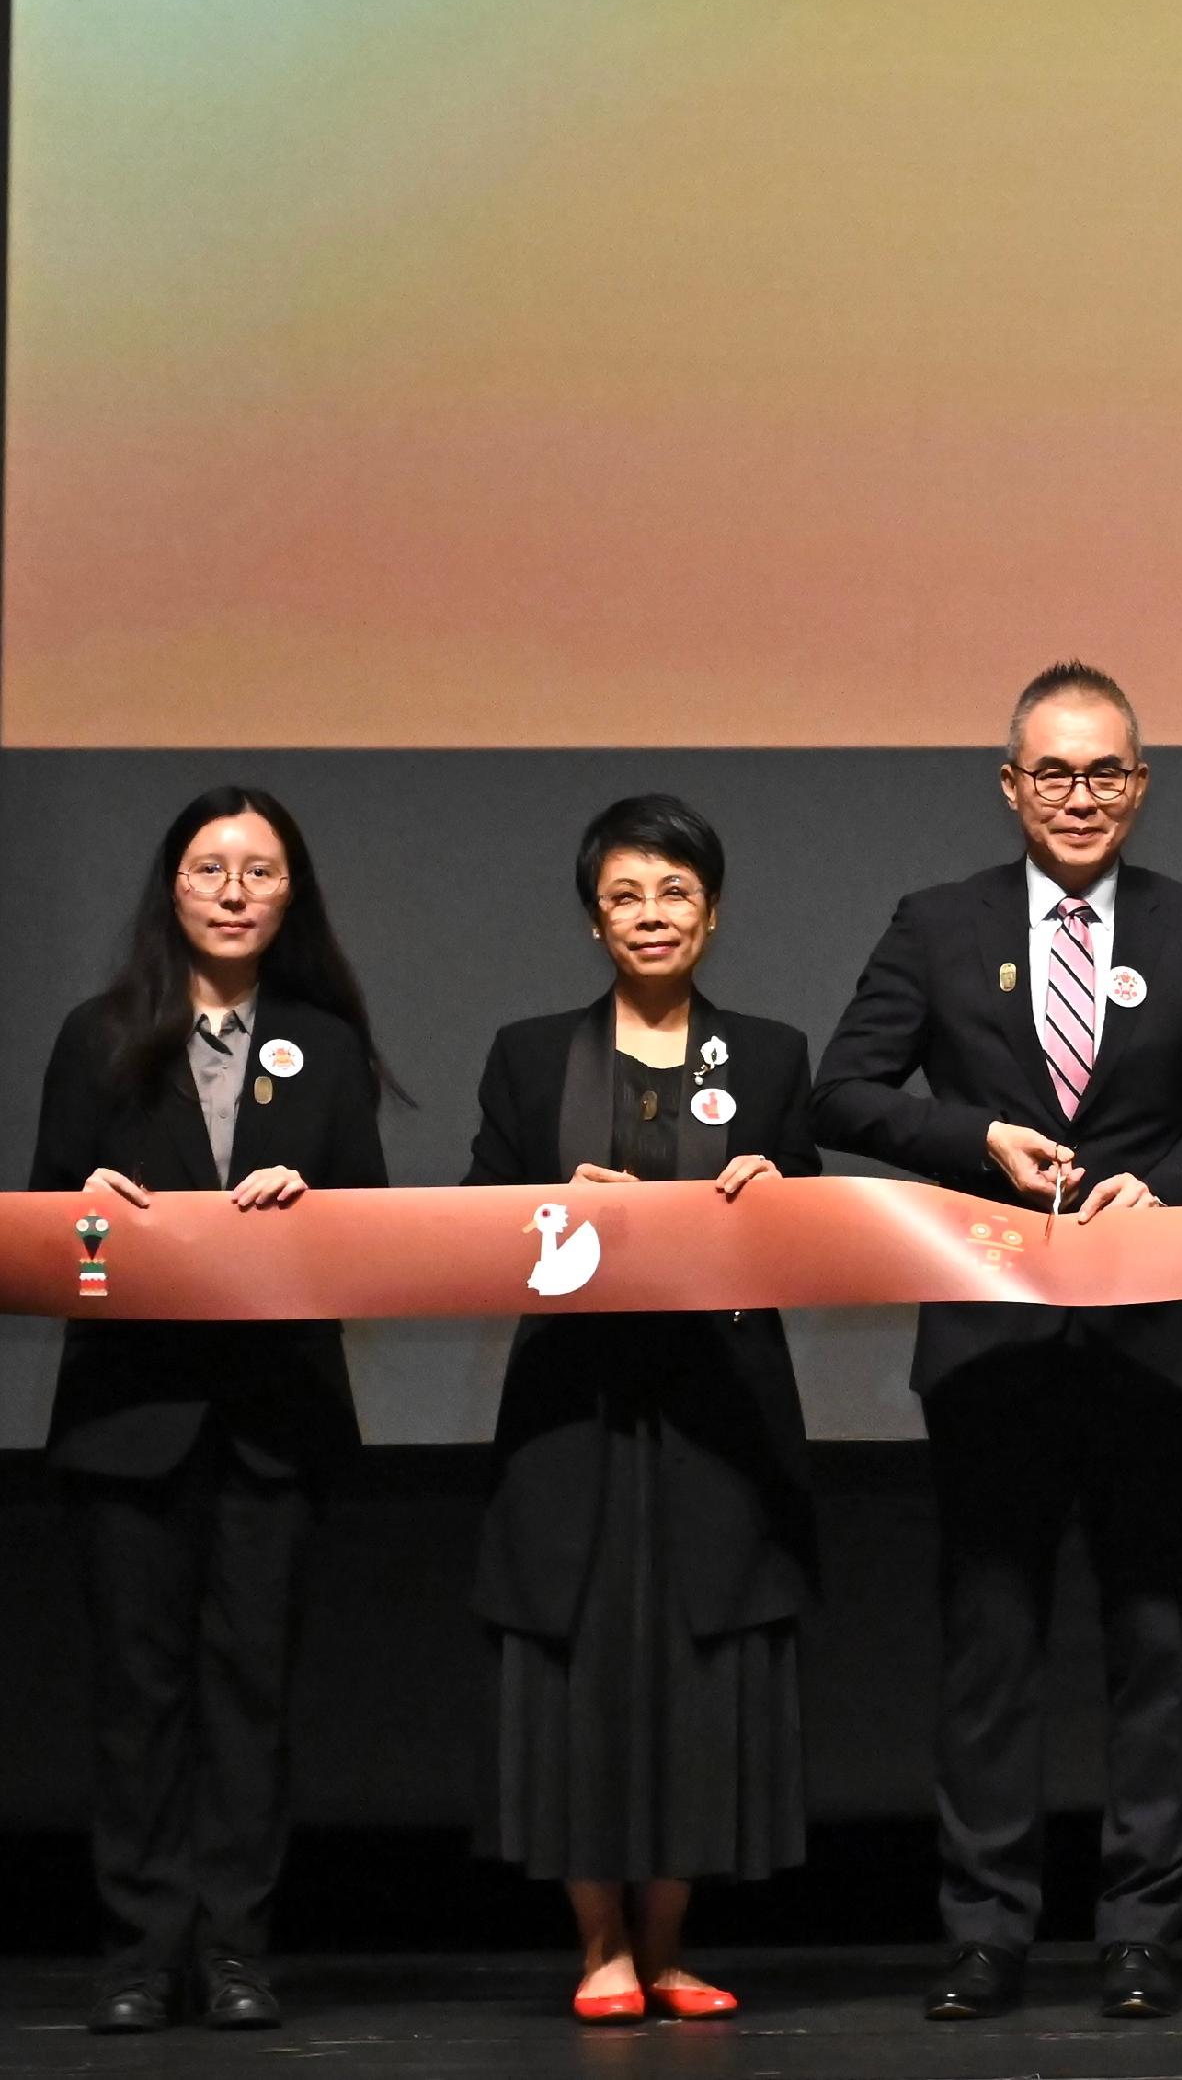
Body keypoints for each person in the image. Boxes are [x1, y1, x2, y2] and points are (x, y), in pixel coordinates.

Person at [815, 662, 1182, 2023]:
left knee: (1157, 1647)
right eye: (1053, 773)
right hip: (991, 1340)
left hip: (1150, 1340)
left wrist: (1164, 1188)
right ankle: (987, 1930)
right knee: (992, 1645)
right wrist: (975, 1144)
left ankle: (1138, 1930)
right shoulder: (938, 925)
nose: (1080, 796)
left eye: (1105, 771)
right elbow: (845, 1088)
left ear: (1141, 783)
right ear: (1011, 785)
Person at [29, 787, 393, 2036]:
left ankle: (237, 1948)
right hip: (129, 1417)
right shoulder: (97, 1034)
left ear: (293, 894)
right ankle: (139, 1952)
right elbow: (40, 1239)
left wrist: (322, 1200)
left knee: (251, 1689)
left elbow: (378, 1243)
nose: (235, 889)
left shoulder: (327, 1043)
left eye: (259, 869)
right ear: (170, 888)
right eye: (209, 867)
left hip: (274, 1418)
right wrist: (93, 1205)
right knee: (138, 1695)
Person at [466, 794, 818, 2023]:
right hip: (577, 1413)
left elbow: (808, 1237)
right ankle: (599, 1947)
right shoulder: (528, 1054)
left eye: (674, 891)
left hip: (717, 1418)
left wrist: (774, 1192)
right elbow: (474, 1234)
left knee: (698, 1673)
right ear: (594, 919)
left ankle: (669, 1941)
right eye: (626, 895)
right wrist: (550, 1202)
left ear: (710, 912)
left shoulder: (770, 1053)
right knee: (579, 1675)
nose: (651, 914)